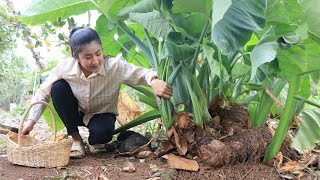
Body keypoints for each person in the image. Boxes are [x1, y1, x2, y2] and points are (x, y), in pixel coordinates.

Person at [21, 27, 172, 158]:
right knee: (58, 88)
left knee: (102, 135)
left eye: (98, 54)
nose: (95, 61)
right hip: (76, 113)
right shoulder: (65, 67)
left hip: (101, 115)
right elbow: (43, 92)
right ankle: (76, 139)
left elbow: (141, 73)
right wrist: (31, 121)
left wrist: (154, 81)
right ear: (75, 55)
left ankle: (94, 141)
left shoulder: (114, 66)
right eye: (88, 57)